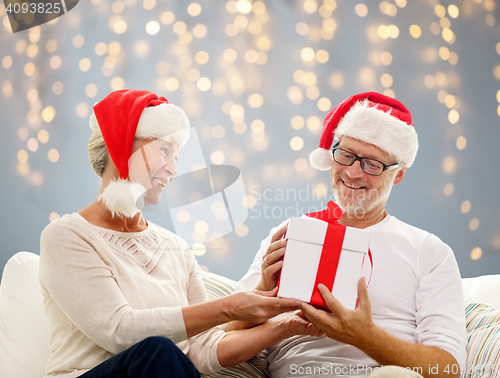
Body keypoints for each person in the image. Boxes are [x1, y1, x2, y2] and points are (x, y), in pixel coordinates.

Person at [39, 89, 321, 378]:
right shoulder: (66, 236)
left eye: (176, 156)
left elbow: (202, 351)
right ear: (120, 146)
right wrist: (228, 308)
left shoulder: (175, 247)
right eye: (163, 151)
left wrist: (286, 325)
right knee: (158, 352)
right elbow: (120, 332)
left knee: (166, 356)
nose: (173, 169)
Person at [236, 92, 467, 378]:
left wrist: (364, 336)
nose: (353, 173)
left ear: (398, 174)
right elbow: (221, 336)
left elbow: (449, 369)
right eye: (345, 155)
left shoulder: (428, 251)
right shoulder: (290, 234)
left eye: (372, 164)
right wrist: (262, 288)